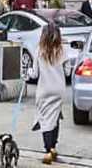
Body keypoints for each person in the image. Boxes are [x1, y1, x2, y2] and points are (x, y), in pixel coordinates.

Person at [33, 23, 67, 164]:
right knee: (55, 117)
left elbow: (34, 74)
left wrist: (26, 74)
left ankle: (48, 151)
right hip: (59, 89)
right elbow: (67, 69)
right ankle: (53, 148)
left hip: (44, 89)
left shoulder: (39, 50)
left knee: (46, 119)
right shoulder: (61, 50)